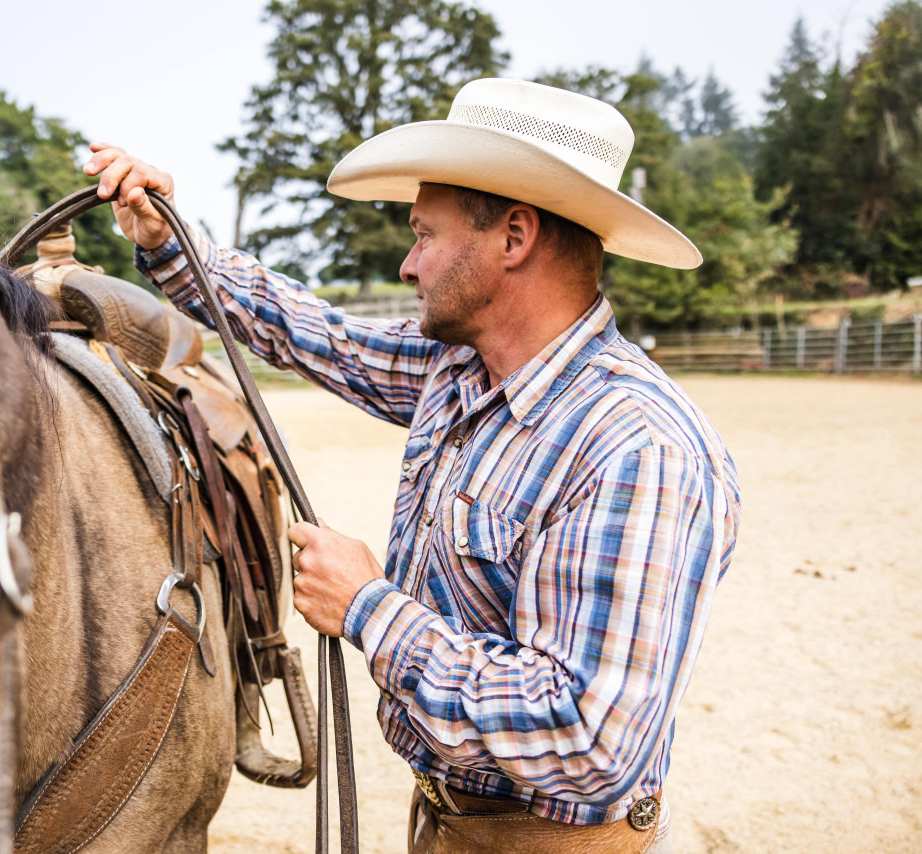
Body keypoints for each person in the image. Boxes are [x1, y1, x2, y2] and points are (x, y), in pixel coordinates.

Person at [85, 78, 740, 854]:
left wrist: (368, 606)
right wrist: (169, 243)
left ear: (514, 236)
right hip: (451, 823)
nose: (407, 263)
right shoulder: (460, 370)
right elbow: (311, 332)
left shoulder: (638, 448)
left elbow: (589, 740)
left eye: (424, 233)